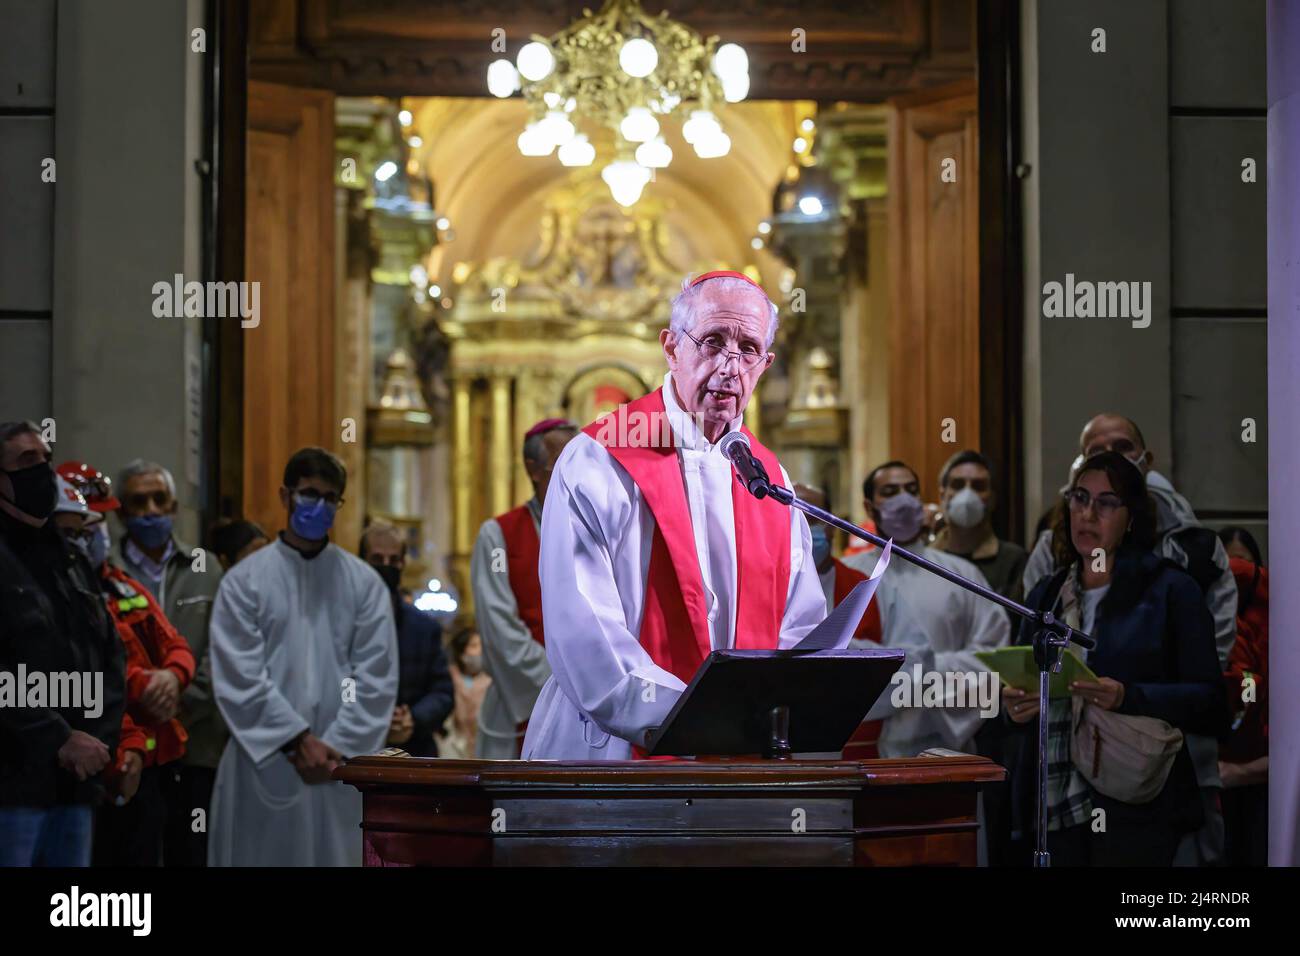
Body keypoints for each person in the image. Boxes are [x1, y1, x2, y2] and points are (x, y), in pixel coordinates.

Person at [522, 271, 835, 760]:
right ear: (671, 348)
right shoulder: (597, 459)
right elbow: (584, 632)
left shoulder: (768, 479)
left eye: (748, 349)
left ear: (765, 364)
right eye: (713, 342)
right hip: (611, 752)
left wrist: (774, 709)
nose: (729, 366)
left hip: (739, 755)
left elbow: (799, 626)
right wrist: (703, 720)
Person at [1021, 414, 1237, 865]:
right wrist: (1014, 708)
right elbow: (1022, 684)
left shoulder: (1170, 590)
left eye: (1107, 503)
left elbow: (1211, 703)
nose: (1088, 514)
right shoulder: (1047, 592)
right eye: (1080, 498)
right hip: (1055, 805)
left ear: (1131, 517)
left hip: (1137, 804)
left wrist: (1128, 696)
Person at [207, 447, 398, 866]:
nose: (320, 506)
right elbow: (239, 672)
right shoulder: (244, 581)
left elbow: (376, 675)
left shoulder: (363, 584)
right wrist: (296, 739)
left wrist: (336, 745)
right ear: (285, 495)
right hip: (266, 759)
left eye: (331, 498)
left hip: (337, 767)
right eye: (310, 494)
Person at [51, 470, 197, 866]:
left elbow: (175, 644)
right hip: (101, 761)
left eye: (98, 524)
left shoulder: (121, 583)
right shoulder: (59, 593)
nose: (93, 535)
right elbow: (94, 674)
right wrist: (144, 686)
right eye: (83, 528)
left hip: (153, 758)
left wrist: (171, 677)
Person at [0, 422, 125, 867]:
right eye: (26, 460)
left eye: (45, 459)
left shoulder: (70, 559)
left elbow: (109, 654)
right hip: (13, 787)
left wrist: (97, 743)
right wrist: (60, 737)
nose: (42, 470)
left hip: (75, 785)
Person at [842, 460, 1009, 757]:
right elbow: (837, 665)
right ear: (869, 507)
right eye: (890, 492)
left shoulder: (960, 574)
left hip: (944, 748)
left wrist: (917, 675)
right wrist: (915, 674)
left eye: (911, 490)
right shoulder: (849, 577)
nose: (904, 499)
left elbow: (992, 657)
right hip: (864, 750)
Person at [111, 458, 226, 866]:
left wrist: (180, 701)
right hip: (130, 747)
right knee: (133, 853)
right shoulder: (106, 571)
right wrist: (144, 706)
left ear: (174, 507)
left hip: (196, 742)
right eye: (139, 502)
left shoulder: (204, 567)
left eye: (160, 499)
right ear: (121, 512)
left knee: (191, 852)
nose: (151, 511)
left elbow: (221, 648)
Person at [470, 418, 577, 758]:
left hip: (589, 707)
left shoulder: (598, 531)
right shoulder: (498, 536)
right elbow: (499, 628)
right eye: (561, 463)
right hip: (522, 701)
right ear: (532, 470)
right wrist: (564, 685)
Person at [792, 483, 885, 759]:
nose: (804, 527)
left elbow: (885, 661)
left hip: (851, 735)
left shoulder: (861, 586)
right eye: (794, 517)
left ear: (832, 526)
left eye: (813, 518)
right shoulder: (760, 585)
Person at [359, 520, 454, 758]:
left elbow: (443, 692)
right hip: (358, 747)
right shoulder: (344, 623)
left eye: (393, 560)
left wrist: (413, 718)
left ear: (402, 563)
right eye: (377, 559)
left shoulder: (424, 628)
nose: (386, 566)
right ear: (363, 562)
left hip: (414, 750)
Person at [1216, 526, 1268, 866]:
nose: (1236, 573)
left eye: (1242, 564)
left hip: (1261, 771)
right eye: (1228, 564)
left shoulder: (1273, 619)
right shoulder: (1212, 620)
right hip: (1218, 772)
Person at [933, 450, 1028, 612]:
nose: (967, 494)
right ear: (942, 496)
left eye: (978, 486)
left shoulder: (1014, 561)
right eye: (958, 485)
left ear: (992, 499)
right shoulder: (925, 558)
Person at [437, 626, 491, 760]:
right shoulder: (448, 677)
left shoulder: (491, 678)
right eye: (474, 645)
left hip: (485, 745)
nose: (480, 650)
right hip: (454, 745)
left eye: (481, 645)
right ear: (462, 653)